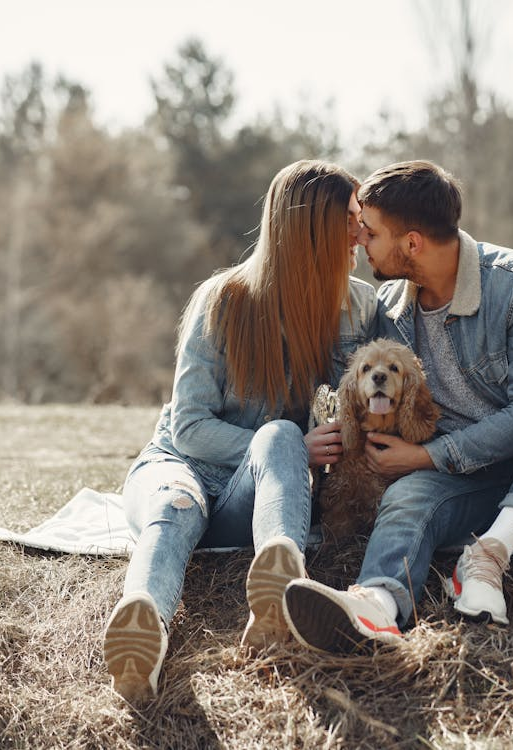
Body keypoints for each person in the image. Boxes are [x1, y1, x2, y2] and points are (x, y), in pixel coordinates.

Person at [282, 160, 513, 653]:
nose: (358, 241)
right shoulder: (390, 309)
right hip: (463, 480)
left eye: (369, 233)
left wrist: (428, 456)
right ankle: (376, 602)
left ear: (411, 243)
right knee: (407, 498)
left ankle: (490, 554)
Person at [102, 160, 377, 703]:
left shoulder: (357, 306)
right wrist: (299, 448)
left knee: (276, 435)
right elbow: (189, 427)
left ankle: (277, 591)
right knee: (174, 509)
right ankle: (143, 631)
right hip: (182, 466)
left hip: (254, 493)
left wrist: (316, 445)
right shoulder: (223, 301)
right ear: (312, 228)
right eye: (348, 219)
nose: (360, 232)